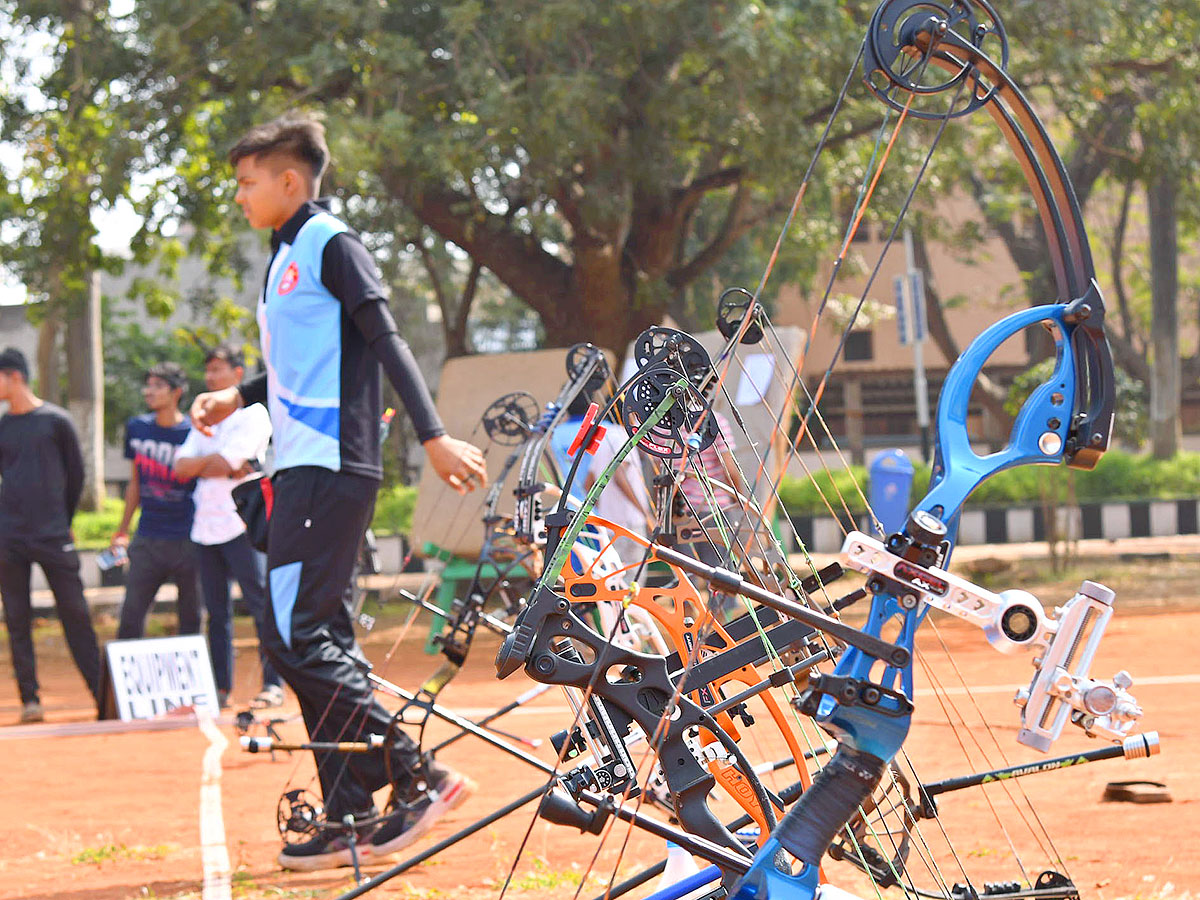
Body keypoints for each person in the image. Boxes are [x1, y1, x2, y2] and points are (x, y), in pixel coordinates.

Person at [189, 116, 489, 872]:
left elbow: (381, 339)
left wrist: (432, 436)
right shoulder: (283, 256)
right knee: (315, 637)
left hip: (331, 465)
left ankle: (419, 775)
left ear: (290, 180)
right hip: (300, 466)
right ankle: (350, 811)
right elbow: (306, 360)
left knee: (295, 637)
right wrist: (240, 398)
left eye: (247, 181)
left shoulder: (331, 242)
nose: (239, 195)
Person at [174, 343, 281, 710]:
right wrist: (216, 464)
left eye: (217, 370)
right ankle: (220, 689)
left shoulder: (254, 415)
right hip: (205, 525)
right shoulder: (203, 420)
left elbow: (224, 462)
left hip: (243, 524)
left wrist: (213, 464)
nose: (210, 378)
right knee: (216, 613)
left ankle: (273, 683)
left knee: (260, 604)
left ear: (238, 375)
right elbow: (181, 467)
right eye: (207, 371)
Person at [0, 348, 101, 723]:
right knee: (16, 618)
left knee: (76, 614)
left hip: (54, 534)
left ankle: (100, 693)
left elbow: (76, 476)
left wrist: (62, 518)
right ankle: (31, 700)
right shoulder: (3, 427)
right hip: (10, 538)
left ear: (14, 377)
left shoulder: (56, 422)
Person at [111, 362, 201, 640]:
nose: (148, 391)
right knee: (130, 618)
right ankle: (126, 681)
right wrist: (123, 529)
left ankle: (192, 682)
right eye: (148, 385)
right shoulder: (137, 428)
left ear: (176, 392)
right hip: (148, 537)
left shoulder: (195, 432)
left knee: (192, 619)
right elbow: (135, 482)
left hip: (189, 539)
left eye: (157, 386)